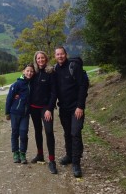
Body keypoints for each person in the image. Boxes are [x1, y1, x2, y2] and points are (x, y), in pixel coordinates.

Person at [53, 46, 88, 178]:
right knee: (67, 133)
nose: (60, 56)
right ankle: (69, 155)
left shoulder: (74, 67)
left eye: (62, 54)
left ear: (66, 54)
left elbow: (83, 86)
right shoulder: (55, 69)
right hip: (64, 108)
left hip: (76, 108)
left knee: (75, 133)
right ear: (55, 56)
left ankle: (76, 163)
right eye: (57, 55)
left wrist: (80, 106)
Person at [29, 51, 58, 174]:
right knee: (37, 131)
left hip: (45, 108)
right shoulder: (33, 72)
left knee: (49, 131)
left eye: (42, 58)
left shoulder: (50, 73)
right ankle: (40, 154)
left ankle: (52, 161)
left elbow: (54, 92)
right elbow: (23, 81)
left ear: (46, 59)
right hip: (33, 107)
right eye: (38, 58)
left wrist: (49, 108)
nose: (40, 60)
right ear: (36, 60)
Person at [5, 63, 35, 164]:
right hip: (15, 113)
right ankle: (15, 153)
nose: (29, 73)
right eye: (27, 71)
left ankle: (22, 153)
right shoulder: (17, 84)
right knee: (15, 133)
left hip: (25, 114)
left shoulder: (32, 83)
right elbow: (9, 98)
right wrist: (7, 112)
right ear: (23, 71)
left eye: (31, 71)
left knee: (23, 133)